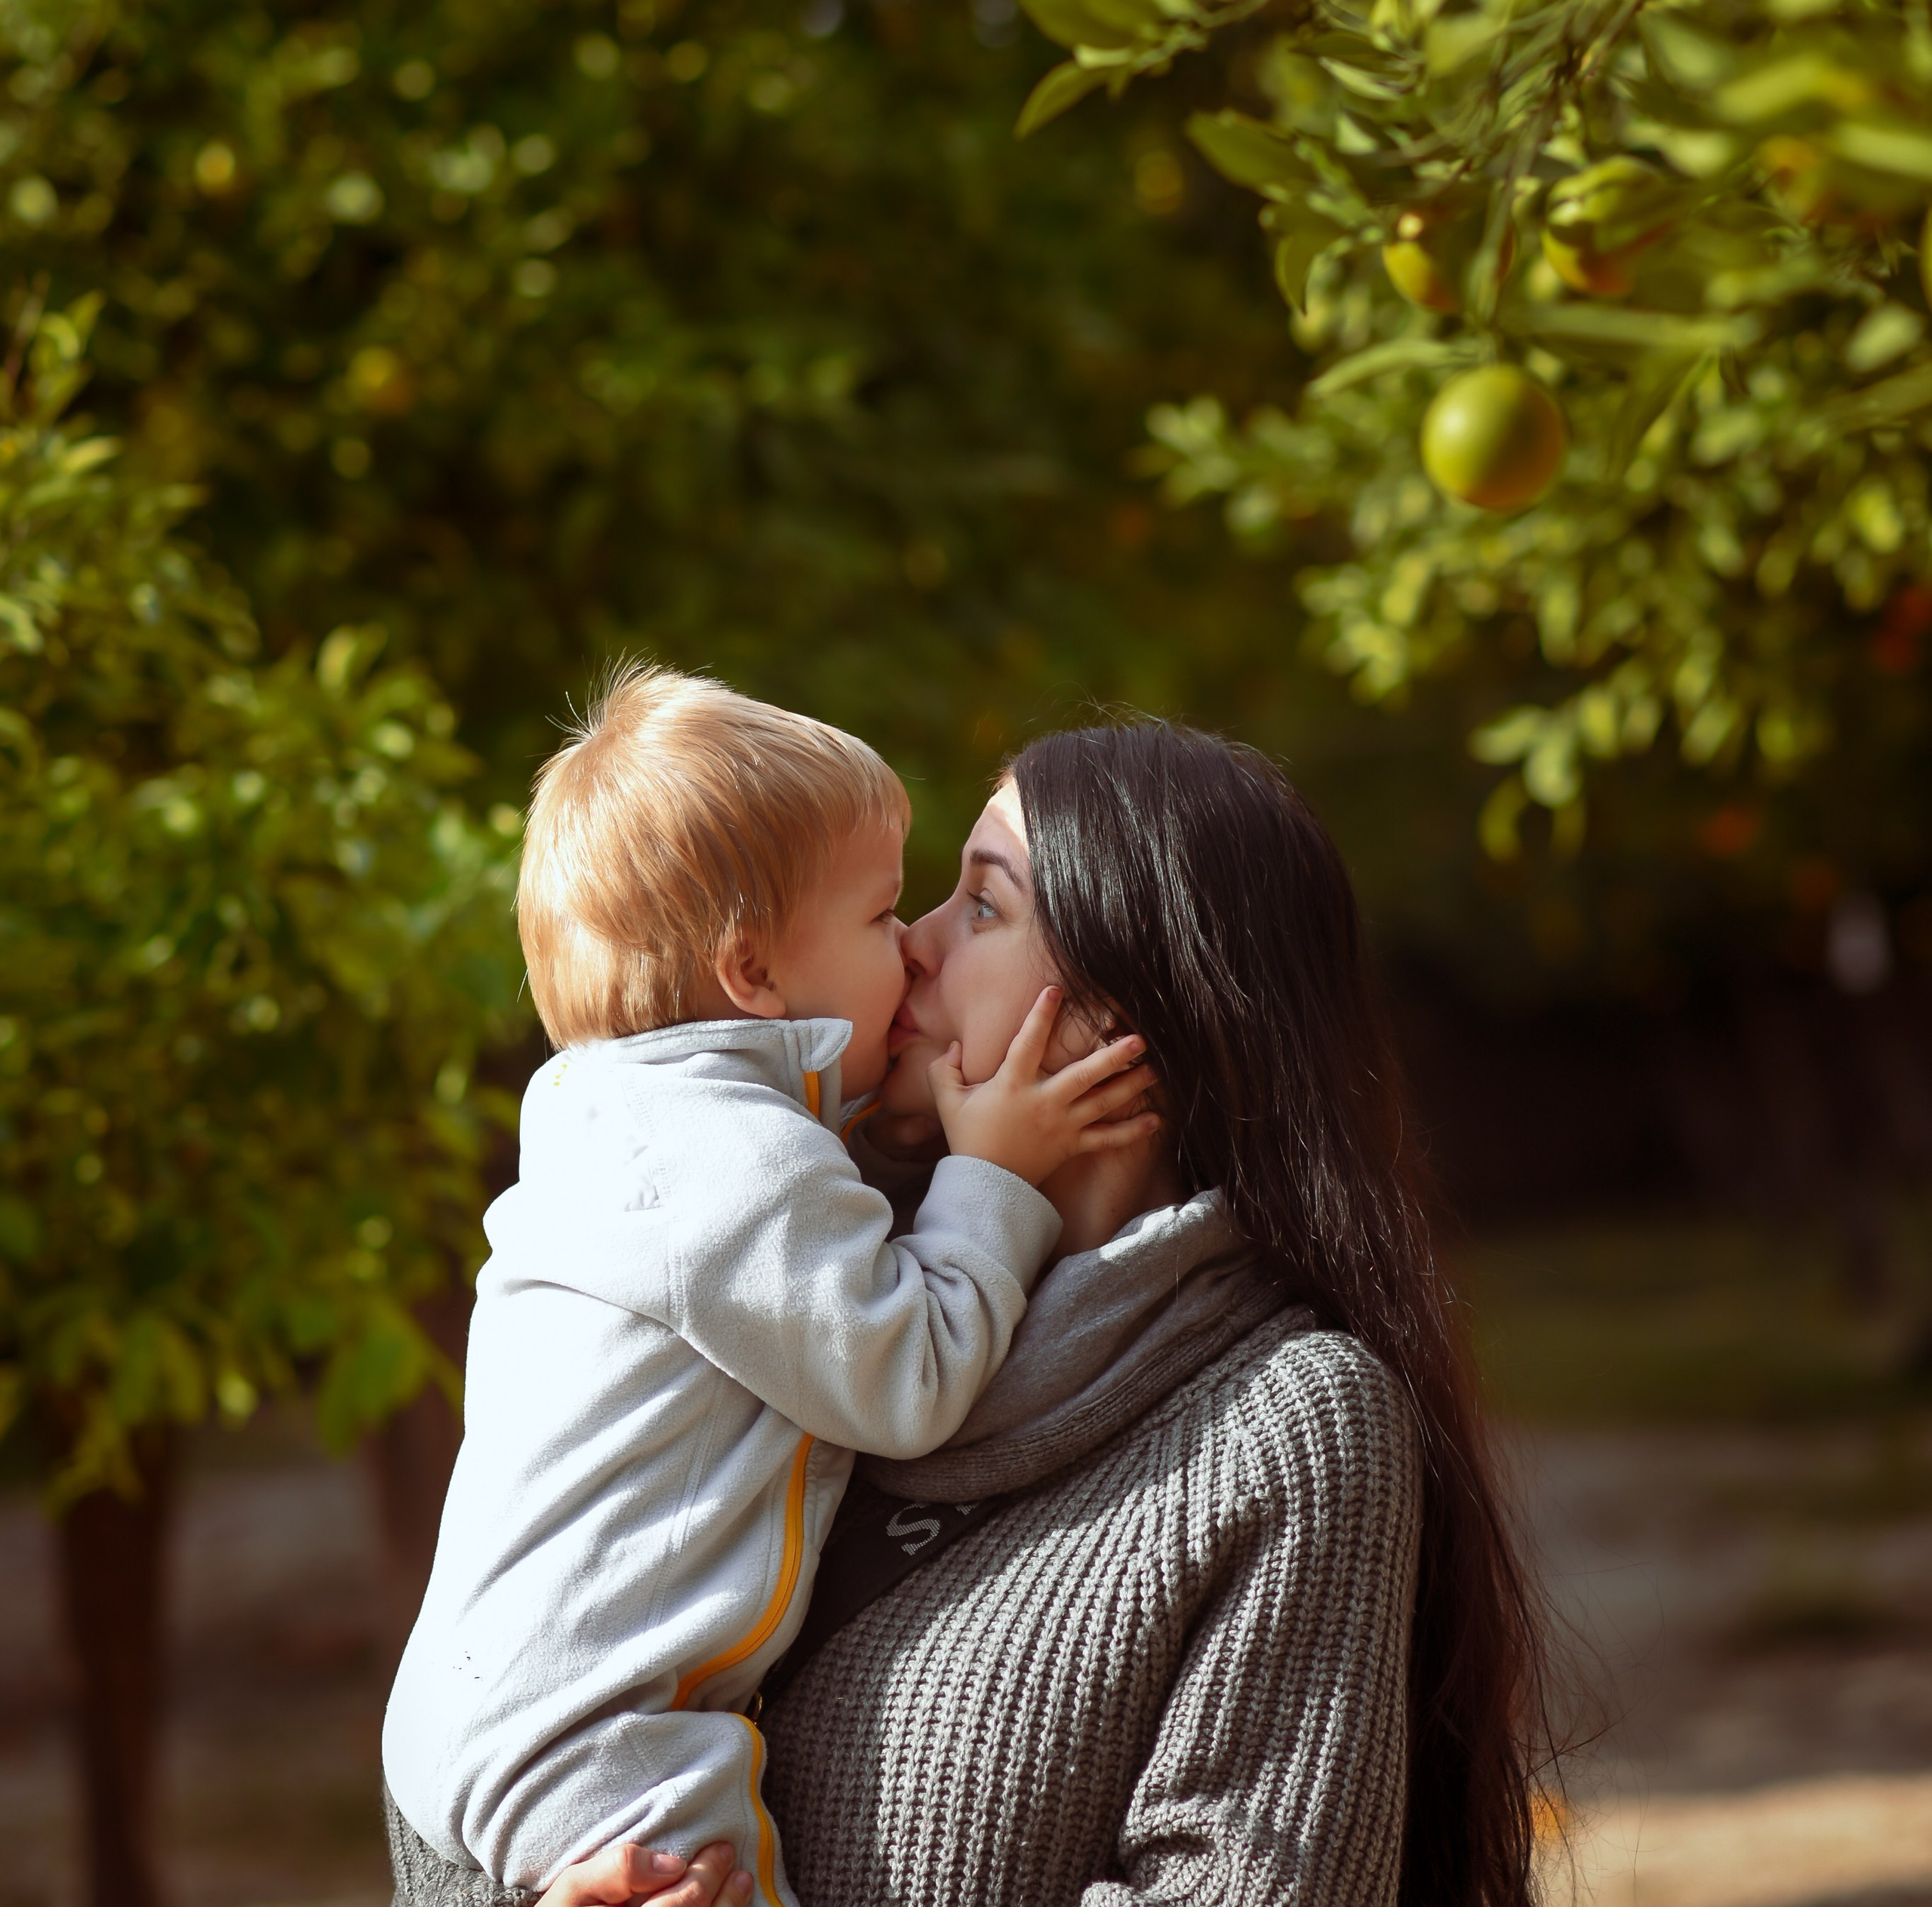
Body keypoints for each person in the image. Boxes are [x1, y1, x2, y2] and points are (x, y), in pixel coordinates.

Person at [398, 717, 1552, 1907]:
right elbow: (503, 1702)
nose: (915, 947)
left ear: (1123, 1022)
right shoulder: (765, 1291)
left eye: (981, 908)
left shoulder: (1283, 1427)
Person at [380, 669, 1158, 1904]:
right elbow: (909, 1376)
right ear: (751, 973)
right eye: (882, 916)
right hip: (601, 1732)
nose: (912, 947)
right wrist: (995, 1177)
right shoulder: (736, 1163)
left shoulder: (624, 1122)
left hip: (489, 1695)